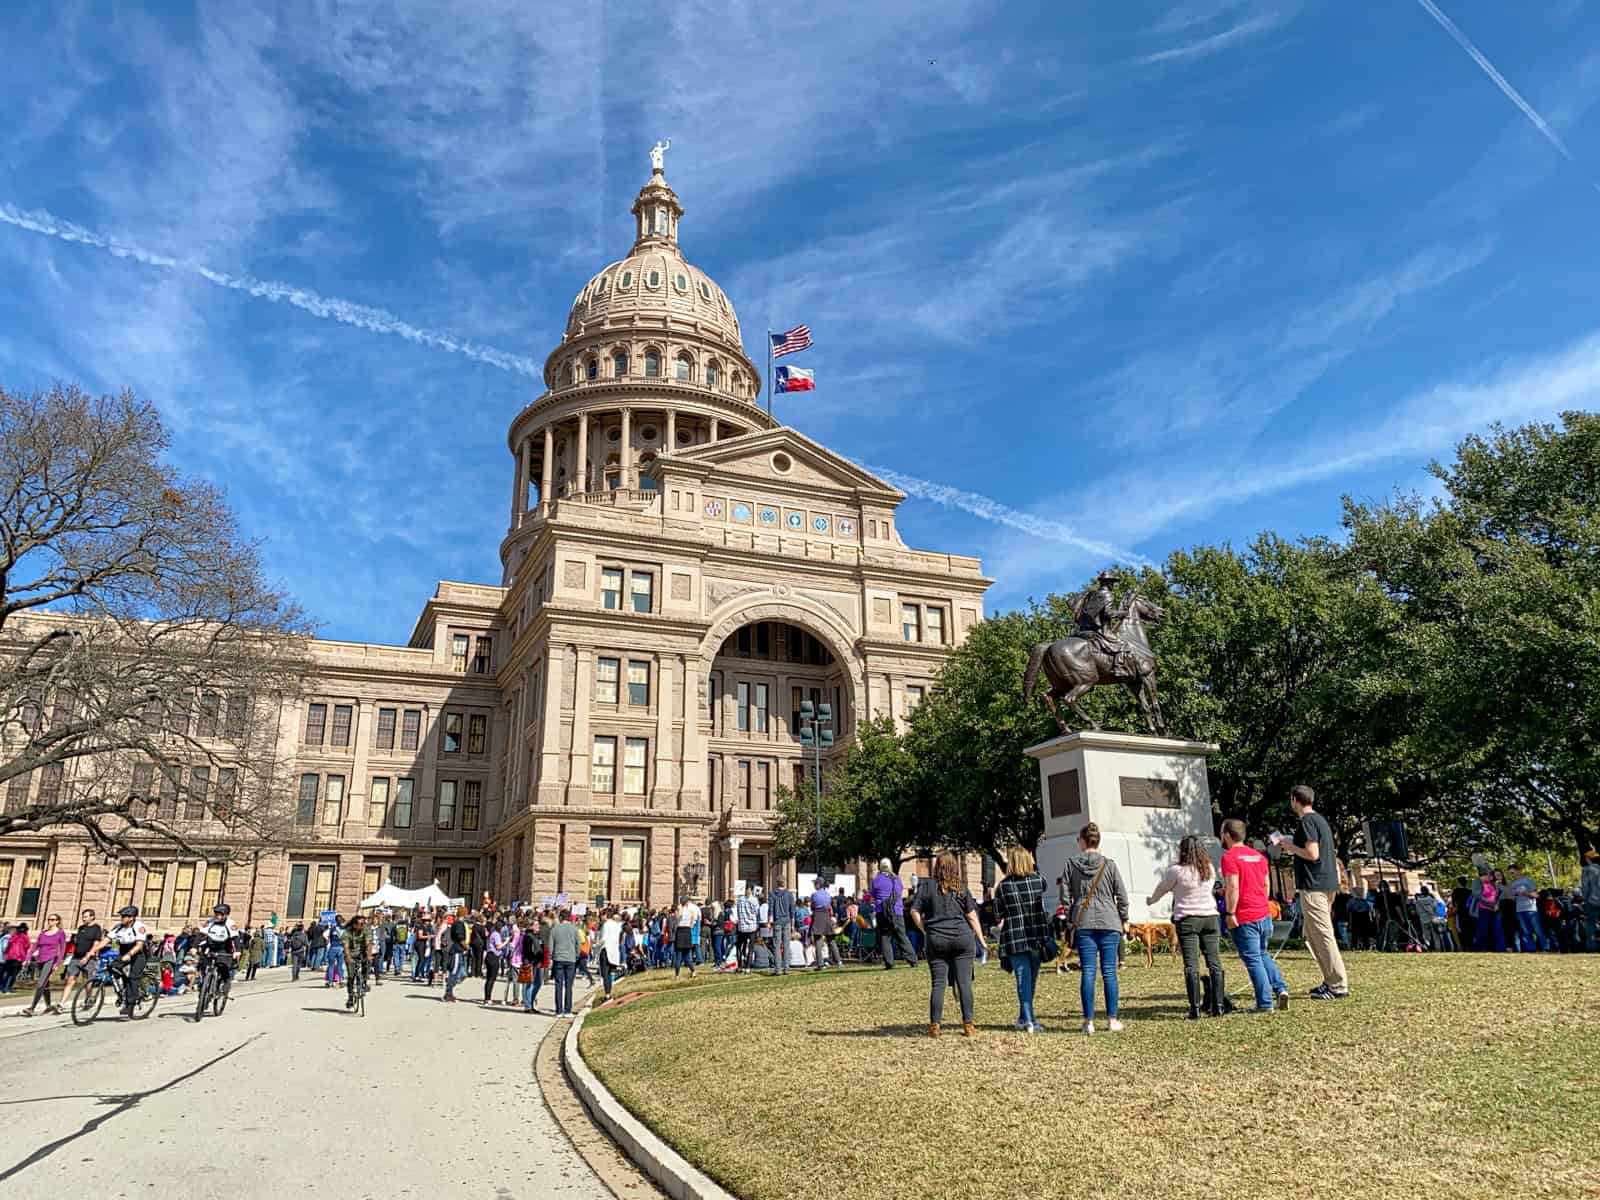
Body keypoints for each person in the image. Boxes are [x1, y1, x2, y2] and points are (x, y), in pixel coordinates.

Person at [1276, 786, 1348, 998]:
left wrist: (1289, 846)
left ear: (1294, 800)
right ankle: (1329, 979)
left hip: (1314, 885)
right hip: (1324, 884)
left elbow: (1312, 853)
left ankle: (1338, 984)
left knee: (1322, 934)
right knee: (1312, 934)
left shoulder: (1307, 821)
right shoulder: (1319, 820)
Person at [1150, 835, 1229, 1020]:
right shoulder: (1208, 869)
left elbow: (1162, 888)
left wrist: (1151, 900)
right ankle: (1218, 1006)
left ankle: (1195, 1009)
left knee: (1191, 965)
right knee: (1214, 962)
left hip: (1188, 919)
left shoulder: (1177, 871)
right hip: (1210, 917)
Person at [909, 851, 984, 1038]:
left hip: (936, 939)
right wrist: (982, 940)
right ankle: (968, 1025)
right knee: (965, 983)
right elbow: (972, 916)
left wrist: (925, 929)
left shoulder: (926, 887)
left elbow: (914, 912)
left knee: (938, 983)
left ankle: (935, 1026)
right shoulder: (961, 887)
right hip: (962, 938)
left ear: (937, 867)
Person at [1064, 822, 1129, 1034]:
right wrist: (1124, 917)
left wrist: (1068, 920)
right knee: (1110, 972)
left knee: (1088, 972)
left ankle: (1089, 1021)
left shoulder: (1071, 864)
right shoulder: (1109, 865)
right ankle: (1112, 1020)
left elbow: (1065, 897)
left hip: (1083, 922)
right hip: (1109, 921)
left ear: (1082, 841)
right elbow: (1121, 894)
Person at [1221, 819, 1289, 1013]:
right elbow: (1267, 885)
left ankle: (1264, 1002)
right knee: (1262, 953)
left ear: (1227, 835)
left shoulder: (1229, 857)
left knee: (1252, 959)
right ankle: (1280, 988)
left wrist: (1230, 912)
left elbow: (1233, 886)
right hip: (1263, 913)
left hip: (1244, 915)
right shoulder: (1259, 857)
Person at [995, 846, 1048, 1033]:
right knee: (1031, 979)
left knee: (1022, 979)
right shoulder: (1038, 881)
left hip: (1014, 937)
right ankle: (1028, 1018)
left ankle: (1027, 1019)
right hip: (1036, 935)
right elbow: (1044, 890)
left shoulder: (1002, 887)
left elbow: (998, 914)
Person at [99, 905, 150, 1018]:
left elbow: (139, 945)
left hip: (138, 953)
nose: (121, 918)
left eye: (124, 916)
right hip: (124, 951)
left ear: (131, 917)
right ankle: (124, 990)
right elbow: (106, 940)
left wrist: (129, 955)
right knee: (112, 967)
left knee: (133, 977)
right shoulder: (118, 927)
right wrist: (92, 951)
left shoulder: (139, 926)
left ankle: (130, 1004)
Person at [870, 859, 918, 969]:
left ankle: (889, 962)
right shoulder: (896, 879)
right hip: (897, 911)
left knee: (885, 936)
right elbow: (900, 892)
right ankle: (912, 960)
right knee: (901, 935)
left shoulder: (876, 880)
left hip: (881, 911)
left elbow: (873, 896)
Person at [21, 914, 68, 1016]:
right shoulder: (43, 933)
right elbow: (35, 946)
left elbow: (63, 949)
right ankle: (48, 1006)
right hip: (40, 960)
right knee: (45, 984)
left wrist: (57, 963)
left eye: (53, 919)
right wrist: (27, 958)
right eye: (49, 919)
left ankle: (32, 1008)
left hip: (50, 960)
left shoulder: (60, 933)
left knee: (40, 983)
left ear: (57, 921)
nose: (50, 921)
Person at [59, 908, 103, 1012]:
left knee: (87, 981)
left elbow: (96, 943)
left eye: (86, 917)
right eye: (83, 917)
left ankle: (88, 999)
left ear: (92, 917)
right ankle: (61, 1003)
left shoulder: (96, 928)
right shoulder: (81, 928)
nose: (83, 919)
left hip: (89, 958)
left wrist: (88, 955)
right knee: (70, 980)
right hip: (76, 957)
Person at [198, 904, 240, 996]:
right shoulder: (210, 921)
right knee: (202, 964)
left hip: (224, 948)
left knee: (222, 965)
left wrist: (237, 951)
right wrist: (194, 947)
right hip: (211, 946)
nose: (217, 916)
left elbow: (235, 938)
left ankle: (226, 981)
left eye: (220, 914)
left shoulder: (230, 924)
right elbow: (201, 934)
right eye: (216, 913)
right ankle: (204, 986)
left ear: (225, 915)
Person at [548, 910, 581, 1015]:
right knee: (569, 985)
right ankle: (567, 1010)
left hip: (558, 958)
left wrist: (552, 956)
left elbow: (550, 945)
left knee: (558, 984)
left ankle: (558, 1010)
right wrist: (576, 955)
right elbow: (578, 945)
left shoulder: (555, 929)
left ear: (561, 918)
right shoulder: (575, 930)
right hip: (571, 959)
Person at [1509, 865, 1541, 953]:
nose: (1512, 875)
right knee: (1526, 931)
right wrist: (1514, 895)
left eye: (1512, 872)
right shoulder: (1512, 884)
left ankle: (1546, 948)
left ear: (1518, 871)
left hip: (1531, 909)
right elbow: (1512, 897)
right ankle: (1531, 949)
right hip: (1519, 910)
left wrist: (1526, 893)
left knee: (1538, 930)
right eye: (1510, 873)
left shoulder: (1528, 880)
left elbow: (1536, 895)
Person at [767, 879, 795, 977]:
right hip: (787, 921)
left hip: (777, 921)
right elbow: (792, 910)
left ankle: (778, 969)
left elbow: (770, 908)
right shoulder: (789, 894)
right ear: (784, 883)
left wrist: (769, 922)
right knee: (786, 945)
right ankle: (786, 968)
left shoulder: (772, 894)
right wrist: (793, 924)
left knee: (777, 946)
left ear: (777, 883)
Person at [343, 914, 371, 1009]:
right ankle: (350, 997)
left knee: (368, 963)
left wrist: (369, 955)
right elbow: (346, 947)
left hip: (361, 953)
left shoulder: (365, 930)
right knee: (351, 976)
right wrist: (348, 957)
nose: (363, 925)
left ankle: (364, 982)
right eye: (361, 924)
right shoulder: (347, 932)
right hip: (350, 954)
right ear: (355, 925)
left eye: (364, 923)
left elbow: (368, 944)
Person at [808, 880, 836, 971]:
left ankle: (820, 964)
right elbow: (828, 906)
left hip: (818, 917)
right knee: (831, 940)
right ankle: (839, 961)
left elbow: (812, 907)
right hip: (826, 917)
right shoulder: (828, 895)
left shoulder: (814, 895)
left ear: (818, 885)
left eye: (815, 884)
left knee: (818, 941)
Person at [599, 908, 623, 999]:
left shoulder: (606, 925)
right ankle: (609, 992)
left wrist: (596, 944)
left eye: (602, 915)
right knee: (609, 974)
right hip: (614, 951)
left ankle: (607, 994)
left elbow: (603, 938)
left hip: (606, 950)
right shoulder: (617, 925)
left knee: (605, 974)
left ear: (606, 915)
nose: (601, 917)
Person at [674, 895, 700, 978]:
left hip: (680, 931)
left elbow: (676, 922)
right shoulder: (691, 912)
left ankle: (677, 975)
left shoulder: (678, 911)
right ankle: (693, 971)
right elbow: (692, 925)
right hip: (687, 931)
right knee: (687, 955)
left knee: (678, 955)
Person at [0, 922, 30, 994]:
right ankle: (8, 988)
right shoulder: (25, 937)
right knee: (13, 974)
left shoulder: (14, 936)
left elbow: (8, 946)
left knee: (7, 973)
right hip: (18, 957)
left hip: (9, 957)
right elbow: (27, 946)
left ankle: (3, 988)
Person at [1581, 850, 1600, 952]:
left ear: (1588, 859)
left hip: (1592, 900)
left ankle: (1591, 946)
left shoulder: (1586, 870)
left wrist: (1585, 899)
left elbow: (1585, 886)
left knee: (1590, 924)